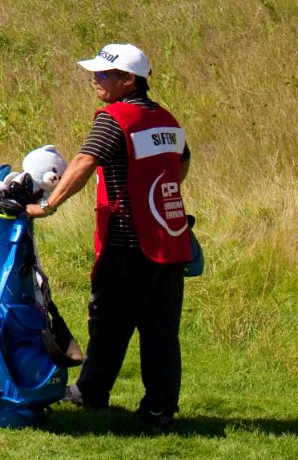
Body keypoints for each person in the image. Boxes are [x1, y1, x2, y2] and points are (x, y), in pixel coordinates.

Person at [27, 43, 193, 428]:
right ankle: (159, 408)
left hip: (128, 240)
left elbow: (84, 163)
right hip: (170, 237)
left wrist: (48, 205)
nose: (95, 80)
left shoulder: (114, 118)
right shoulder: (167, 120)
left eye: (103, 75)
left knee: (107, 320)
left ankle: (90, 394)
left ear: (128, 80)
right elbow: (181, 165)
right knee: (161, 331)